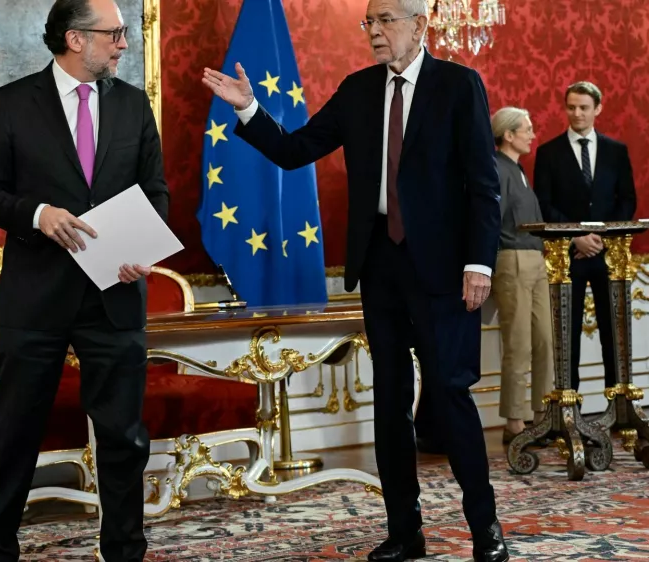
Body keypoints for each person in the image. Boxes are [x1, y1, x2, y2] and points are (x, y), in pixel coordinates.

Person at [201, 0, 508, 560]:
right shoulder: (358, 89)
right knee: (389, 403)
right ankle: (404, 532)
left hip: (444, 271)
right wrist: (248, 110)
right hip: (380, 268)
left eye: (385, 19)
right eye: (368, 21)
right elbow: (296, 152)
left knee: (450, 396)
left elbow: (484, 184)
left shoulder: (460, 85)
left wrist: (479, 263)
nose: (373, 31)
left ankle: (485, 529)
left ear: (419, 24)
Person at [0, 0, 169, 559]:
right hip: (37, 296)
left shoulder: (133, 104)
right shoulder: (12, 103)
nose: (123, 44)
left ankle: (125, 550)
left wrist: (143, 250)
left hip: (117, 292)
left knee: (124, 437)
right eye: (114, 34)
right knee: (14, 432)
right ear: (76, 39)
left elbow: (154, 190)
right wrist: (39, 215)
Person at [533, 81, 637, 393]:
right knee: (567, 333)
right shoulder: (548, 152)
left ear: (597, 109)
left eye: (583, 107)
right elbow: (543, 202)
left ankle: (617, 402)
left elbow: (627, 200)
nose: (576, 113)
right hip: (567, 257)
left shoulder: (616, 151)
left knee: (614, 331)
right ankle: (570, 404)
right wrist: (577, 236)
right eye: (571, 107)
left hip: (609, 256)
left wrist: (600, 237)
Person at [489, 107, 553, 443]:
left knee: (544, 339)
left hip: (535, 258)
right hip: (511, 260)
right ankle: (514, 422)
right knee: (518, 343)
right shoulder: (497, 168)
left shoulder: (520, 169)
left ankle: (543, 414)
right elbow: (490, 220)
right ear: (509, 135)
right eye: (526, 129)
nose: (532, 134)